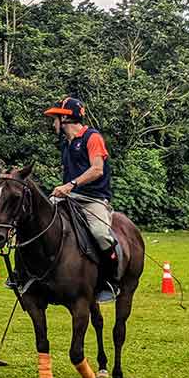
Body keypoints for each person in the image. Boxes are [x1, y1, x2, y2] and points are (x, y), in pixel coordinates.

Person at [43, 96, 120, 302]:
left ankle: (109, 282)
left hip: (93, 199)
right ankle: (26, 276)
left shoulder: (92, 138)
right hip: (68, 196)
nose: (53, 124)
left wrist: (70, 185)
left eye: (56, 119)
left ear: (66, 119)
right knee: (36, 220)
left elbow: (97, 170)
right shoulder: (66, 143)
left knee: (101, 234)